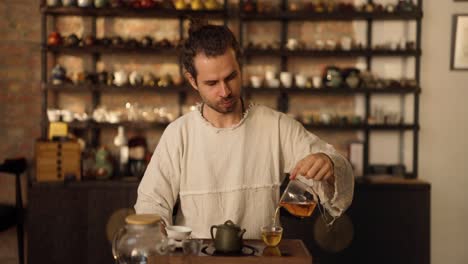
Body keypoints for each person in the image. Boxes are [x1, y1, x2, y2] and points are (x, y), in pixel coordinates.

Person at [135, 20, 354, 239]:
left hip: (261, 257)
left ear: (240, 67)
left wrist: (328, 164)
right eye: (212, 83)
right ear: (192, 81)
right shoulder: (178, 134)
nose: (225, 91)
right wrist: (158, 235)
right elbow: (151, 202)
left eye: (231, 77)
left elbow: (339, 166)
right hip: (197, 258)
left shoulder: (275, 126)